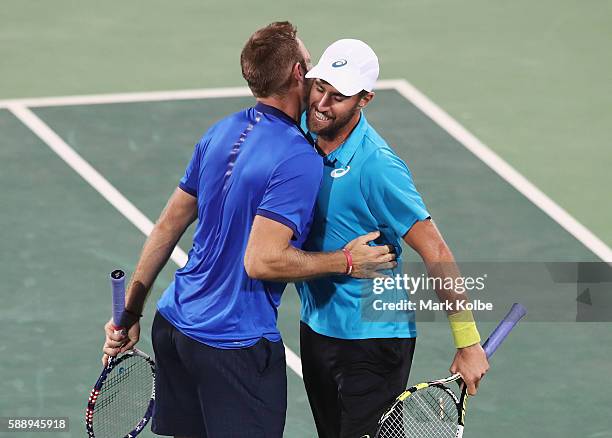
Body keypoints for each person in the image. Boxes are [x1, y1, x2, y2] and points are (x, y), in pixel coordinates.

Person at [101, 24, 396, 438]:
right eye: (309, 65)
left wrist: (130, 313)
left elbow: (168, 226)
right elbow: (262, 260)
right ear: (298, 73)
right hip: (233, 345)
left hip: (173, 328)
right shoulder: (297, 157)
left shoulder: (220, 132)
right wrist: (346, 261)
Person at [296, 39, 490, 438]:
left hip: (373, 339)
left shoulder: (377, 167)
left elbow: (434, 248)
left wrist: (468, 341)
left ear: (364, 99)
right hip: (317, 325)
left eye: (339, 96)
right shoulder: (302, 131)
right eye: (320, 88)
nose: (322, 104)